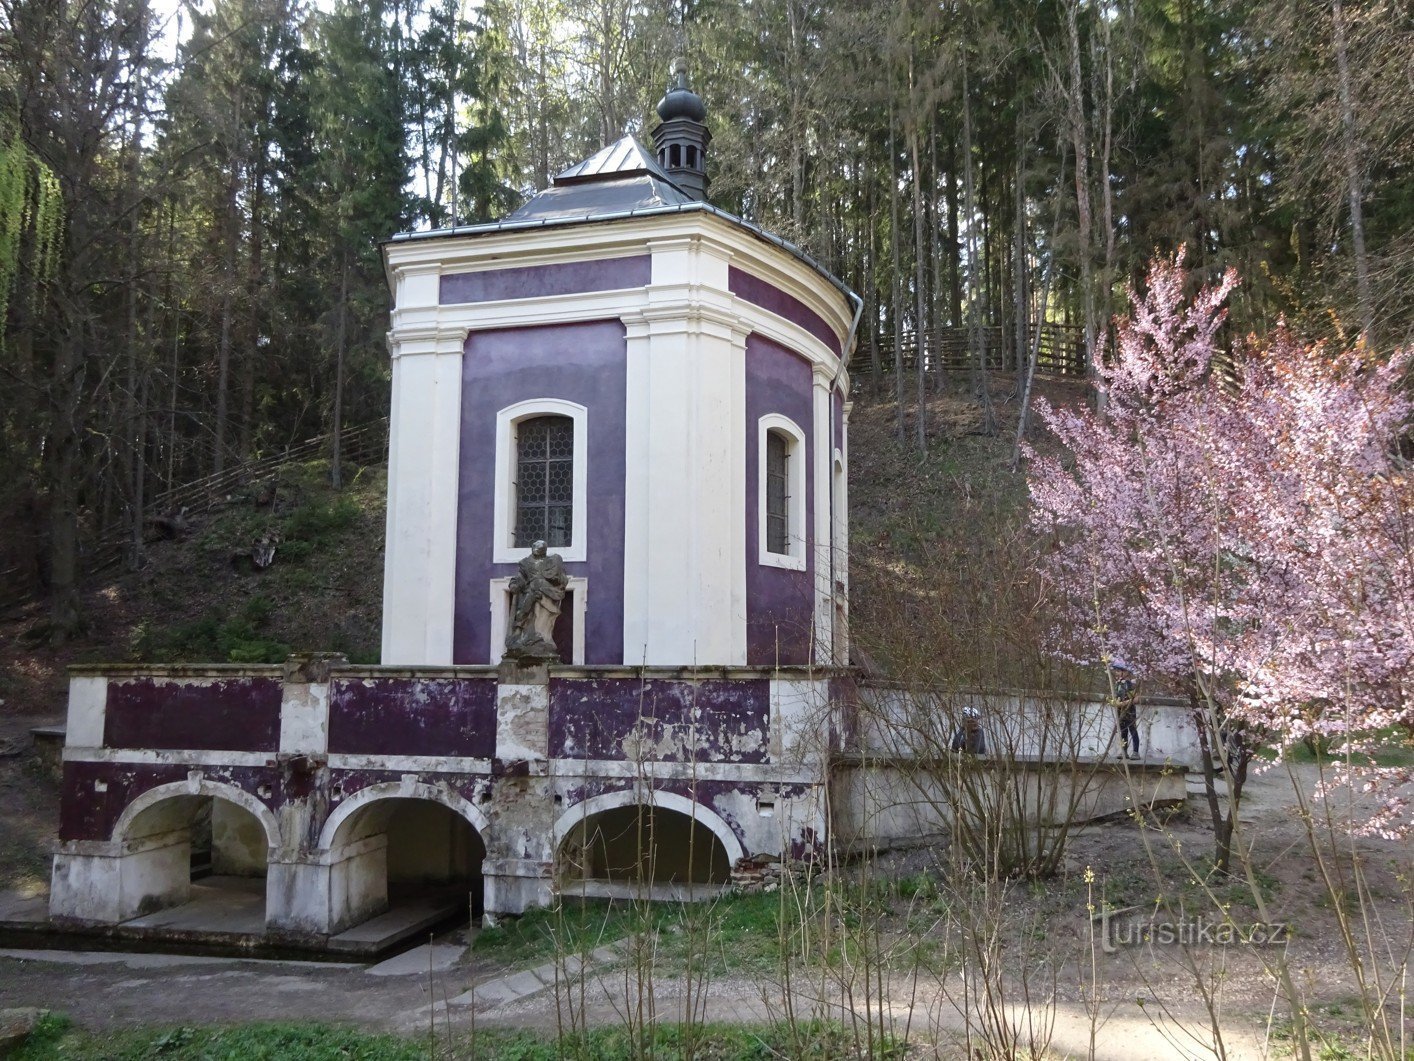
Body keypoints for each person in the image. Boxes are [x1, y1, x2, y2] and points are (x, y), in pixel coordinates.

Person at [505, 540, 567, 660]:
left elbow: (562, 579)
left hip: (546, 592)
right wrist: (515, 584)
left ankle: (537, 637)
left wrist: (557, 580)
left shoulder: (551, 562)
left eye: (540, 549)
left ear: (545, 551)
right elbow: (519, 577)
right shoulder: (525, 563)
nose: (537, 550)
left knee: (535, 588)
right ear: (532, 548)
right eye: (535, 548)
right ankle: (521, 633)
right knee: (531, 592)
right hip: (529, 593)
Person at [1109, 659, 1140, 760]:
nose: (1117, 673)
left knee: (1133, 730)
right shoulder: (1118, 684)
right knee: (1123, 731)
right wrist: (1114, 702)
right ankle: (1124, 751)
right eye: (1116, 671)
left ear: (1126, 672)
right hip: (1120, 711)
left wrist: (1122, 703)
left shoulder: (1129, 684)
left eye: (1119, 671)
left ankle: (1135, 752)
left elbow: (1135, 699)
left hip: (1129, 710)